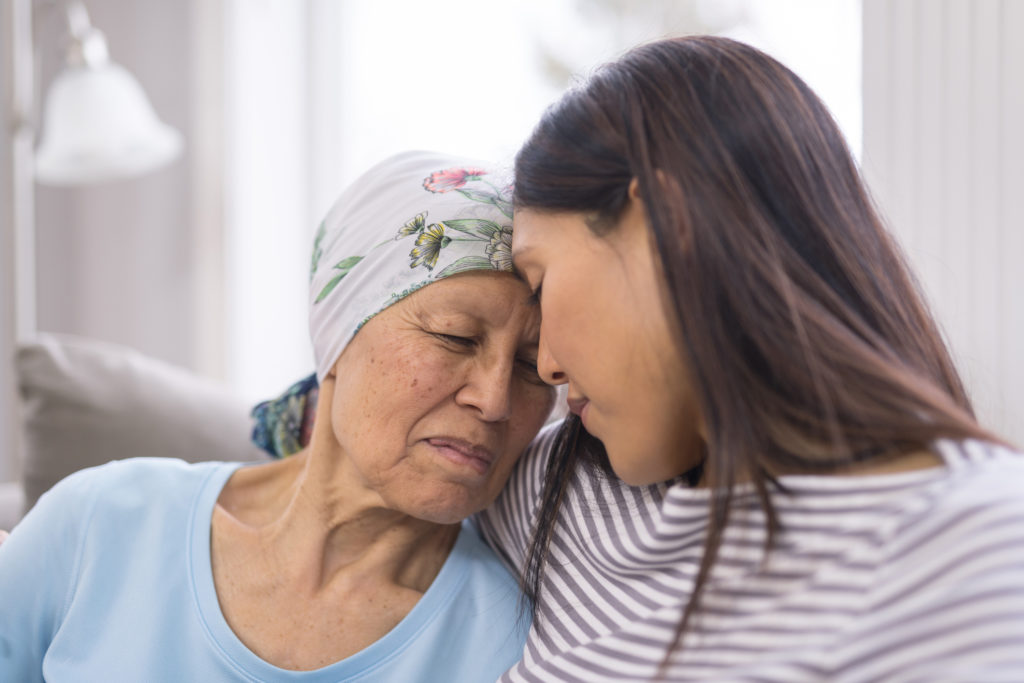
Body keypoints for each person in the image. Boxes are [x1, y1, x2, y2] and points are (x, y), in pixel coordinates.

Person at [477, 36, 1024, 681]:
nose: (547, 368)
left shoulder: (977, 556)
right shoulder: (553, 491)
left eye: (540, 284)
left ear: (664, 222)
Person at [0, 151, 554, 682]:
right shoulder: (100, 525)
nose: (496, 400)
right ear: (340, 334)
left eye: (533, 368)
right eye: (455, 337)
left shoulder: (516, 646)